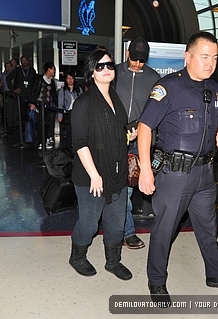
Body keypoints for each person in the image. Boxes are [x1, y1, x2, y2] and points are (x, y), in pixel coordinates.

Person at [137, 31, 218, 302]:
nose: (210, 63)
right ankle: (156, 281)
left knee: (208, 227)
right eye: (204, 56)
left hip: (204, 174)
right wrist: (145, 169)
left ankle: (216, 273)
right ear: (187, 57)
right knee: (165, 230)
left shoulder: (213, 88)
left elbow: (217, 127)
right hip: (175, 174)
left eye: (214, 57)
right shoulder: (168, 88)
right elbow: (144, 127)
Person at [69, 49, 136, 281]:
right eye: (100, 66)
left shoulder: (114, 98)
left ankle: (113, 261)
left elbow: (114, 132)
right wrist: (95, 175)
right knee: (89, 223)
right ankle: (77, 256)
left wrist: (129, 134)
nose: (106, 69)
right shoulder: (83, 103)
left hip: (116, 172)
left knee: (117, 222)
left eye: (109, 65)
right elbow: (79, 143)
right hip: (91, 176)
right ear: (91, 72)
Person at [115, 37, 161, 250]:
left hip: (139, 142)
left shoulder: (154, 78)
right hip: (115, 139)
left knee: (128, 188)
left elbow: (157, 111)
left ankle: (127, 232)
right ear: (127, 54)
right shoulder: (113, 73)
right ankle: (118, 227)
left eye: (142, 61)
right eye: (134, 59)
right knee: (115, 187)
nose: (137, 64)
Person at [28, 62, 58, 149]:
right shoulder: (38, 79)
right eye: (53, 69)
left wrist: (57, 105)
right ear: (49, 69)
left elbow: (53, 94)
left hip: (48, 106)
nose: (54, 71)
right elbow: (33, 90)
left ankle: (47, 140)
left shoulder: (52, 82)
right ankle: (41, 142)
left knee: (48, 123)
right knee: (40, 124)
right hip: (39, 104)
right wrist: (32, 103)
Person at [7, 55, 37, 129]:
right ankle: (23, 128)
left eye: (25, 60)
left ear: (28, 61)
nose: (24, 62)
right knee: (22, 113)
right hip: (21, 95)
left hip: (30, 94)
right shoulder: (17, 70)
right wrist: (13, 89)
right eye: (23, 61)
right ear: (21, 62)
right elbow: (8, 79)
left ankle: (30, 128)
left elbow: (35, 81)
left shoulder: (32, 70)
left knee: (30, 112)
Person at [57, 71, 83, 148]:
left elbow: (82, 102)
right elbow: (60, 103)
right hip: (67, 113)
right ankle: (68, 146)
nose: (70, 80)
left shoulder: (79, 90)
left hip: (77, 113)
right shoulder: (63, 91)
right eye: (68, 78)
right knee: (68, 131)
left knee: (76, 130)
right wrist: (60, 115)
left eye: (72, 78)